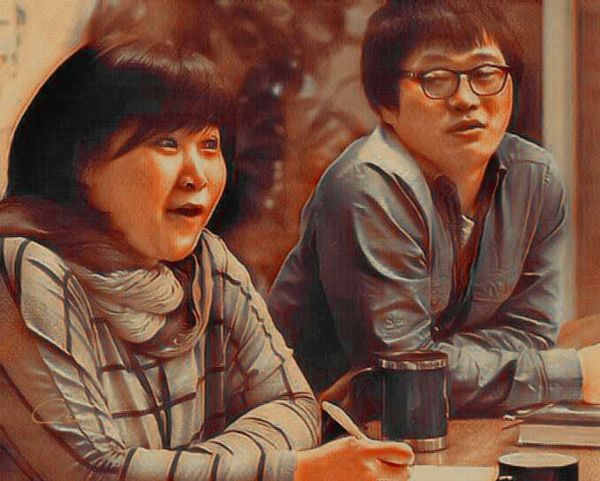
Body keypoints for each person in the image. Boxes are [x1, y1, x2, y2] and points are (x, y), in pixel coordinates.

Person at [0, 35, 413, 481]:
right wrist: (287, 471)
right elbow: (91, 472)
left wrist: (194, 469)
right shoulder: (23, 267)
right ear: (83, 161)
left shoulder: (207, 263)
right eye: (167, 144)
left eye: (210, 145)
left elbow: (295, 406)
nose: (196, 175)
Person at [268, 0, 600, 417]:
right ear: (386, 104)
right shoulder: (364, 187)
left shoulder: (535, 179)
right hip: (316, 427)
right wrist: (572, 374)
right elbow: (405, 378)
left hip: (445, 421)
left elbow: (531, 336)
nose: (466, 99)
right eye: (436, 79)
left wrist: (441, 358)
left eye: (485, 74)